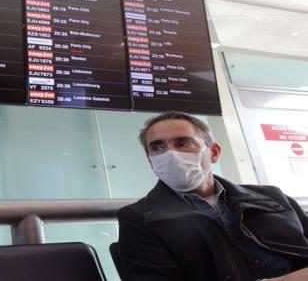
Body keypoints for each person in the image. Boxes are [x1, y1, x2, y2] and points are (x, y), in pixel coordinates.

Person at [117, 111, 308, 281]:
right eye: (158, 147)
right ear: (151, 160)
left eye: (183, 143)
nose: (170, 154)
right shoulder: (139, 219)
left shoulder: (272, 196)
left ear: (214, 152)